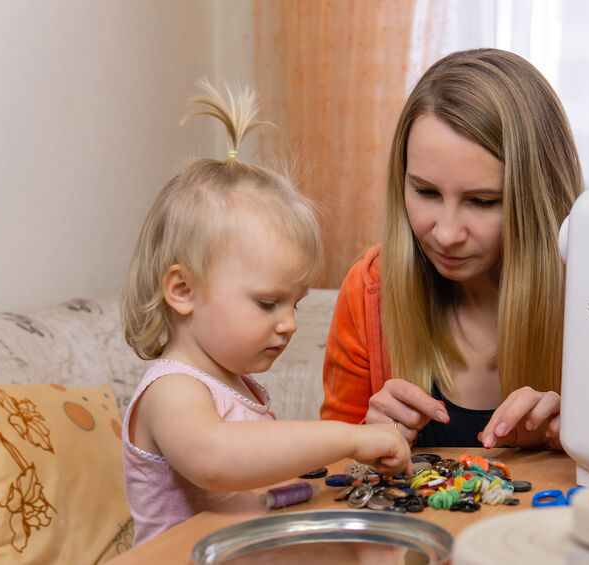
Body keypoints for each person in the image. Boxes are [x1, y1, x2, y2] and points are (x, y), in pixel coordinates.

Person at [120, 81, 411, 546]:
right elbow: (216, 459)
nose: (289, 323)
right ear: (182, 290)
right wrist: (348, 438)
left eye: (294, 304)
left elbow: (255, 495)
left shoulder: (238, 384)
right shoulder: (170, 391)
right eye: (266, 303)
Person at [321, 48, 584, 450]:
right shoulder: (369, 291)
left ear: (537, 198)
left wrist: (582, 439)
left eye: (482, 201)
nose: (445, 234)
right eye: (425, 191)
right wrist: (359, 442)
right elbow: (332, 476)